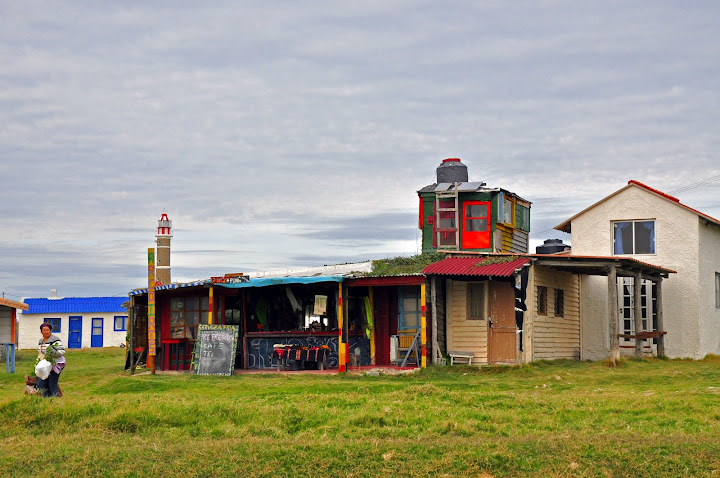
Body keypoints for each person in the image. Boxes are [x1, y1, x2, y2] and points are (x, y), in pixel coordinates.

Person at [36, 322, 66, 397]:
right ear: (41, 331)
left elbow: (61, 351)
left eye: (48, 330)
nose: (46, 332)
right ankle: (46, 401)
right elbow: (40, 353)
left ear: (50, 330)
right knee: (40, 384)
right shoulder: (41, 341)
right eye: (44, 330)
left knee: (52, 384)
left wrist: (51, 355)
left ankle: (55, 402)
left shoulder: (55, 339)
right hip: (45, 365)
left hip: (55, 364)